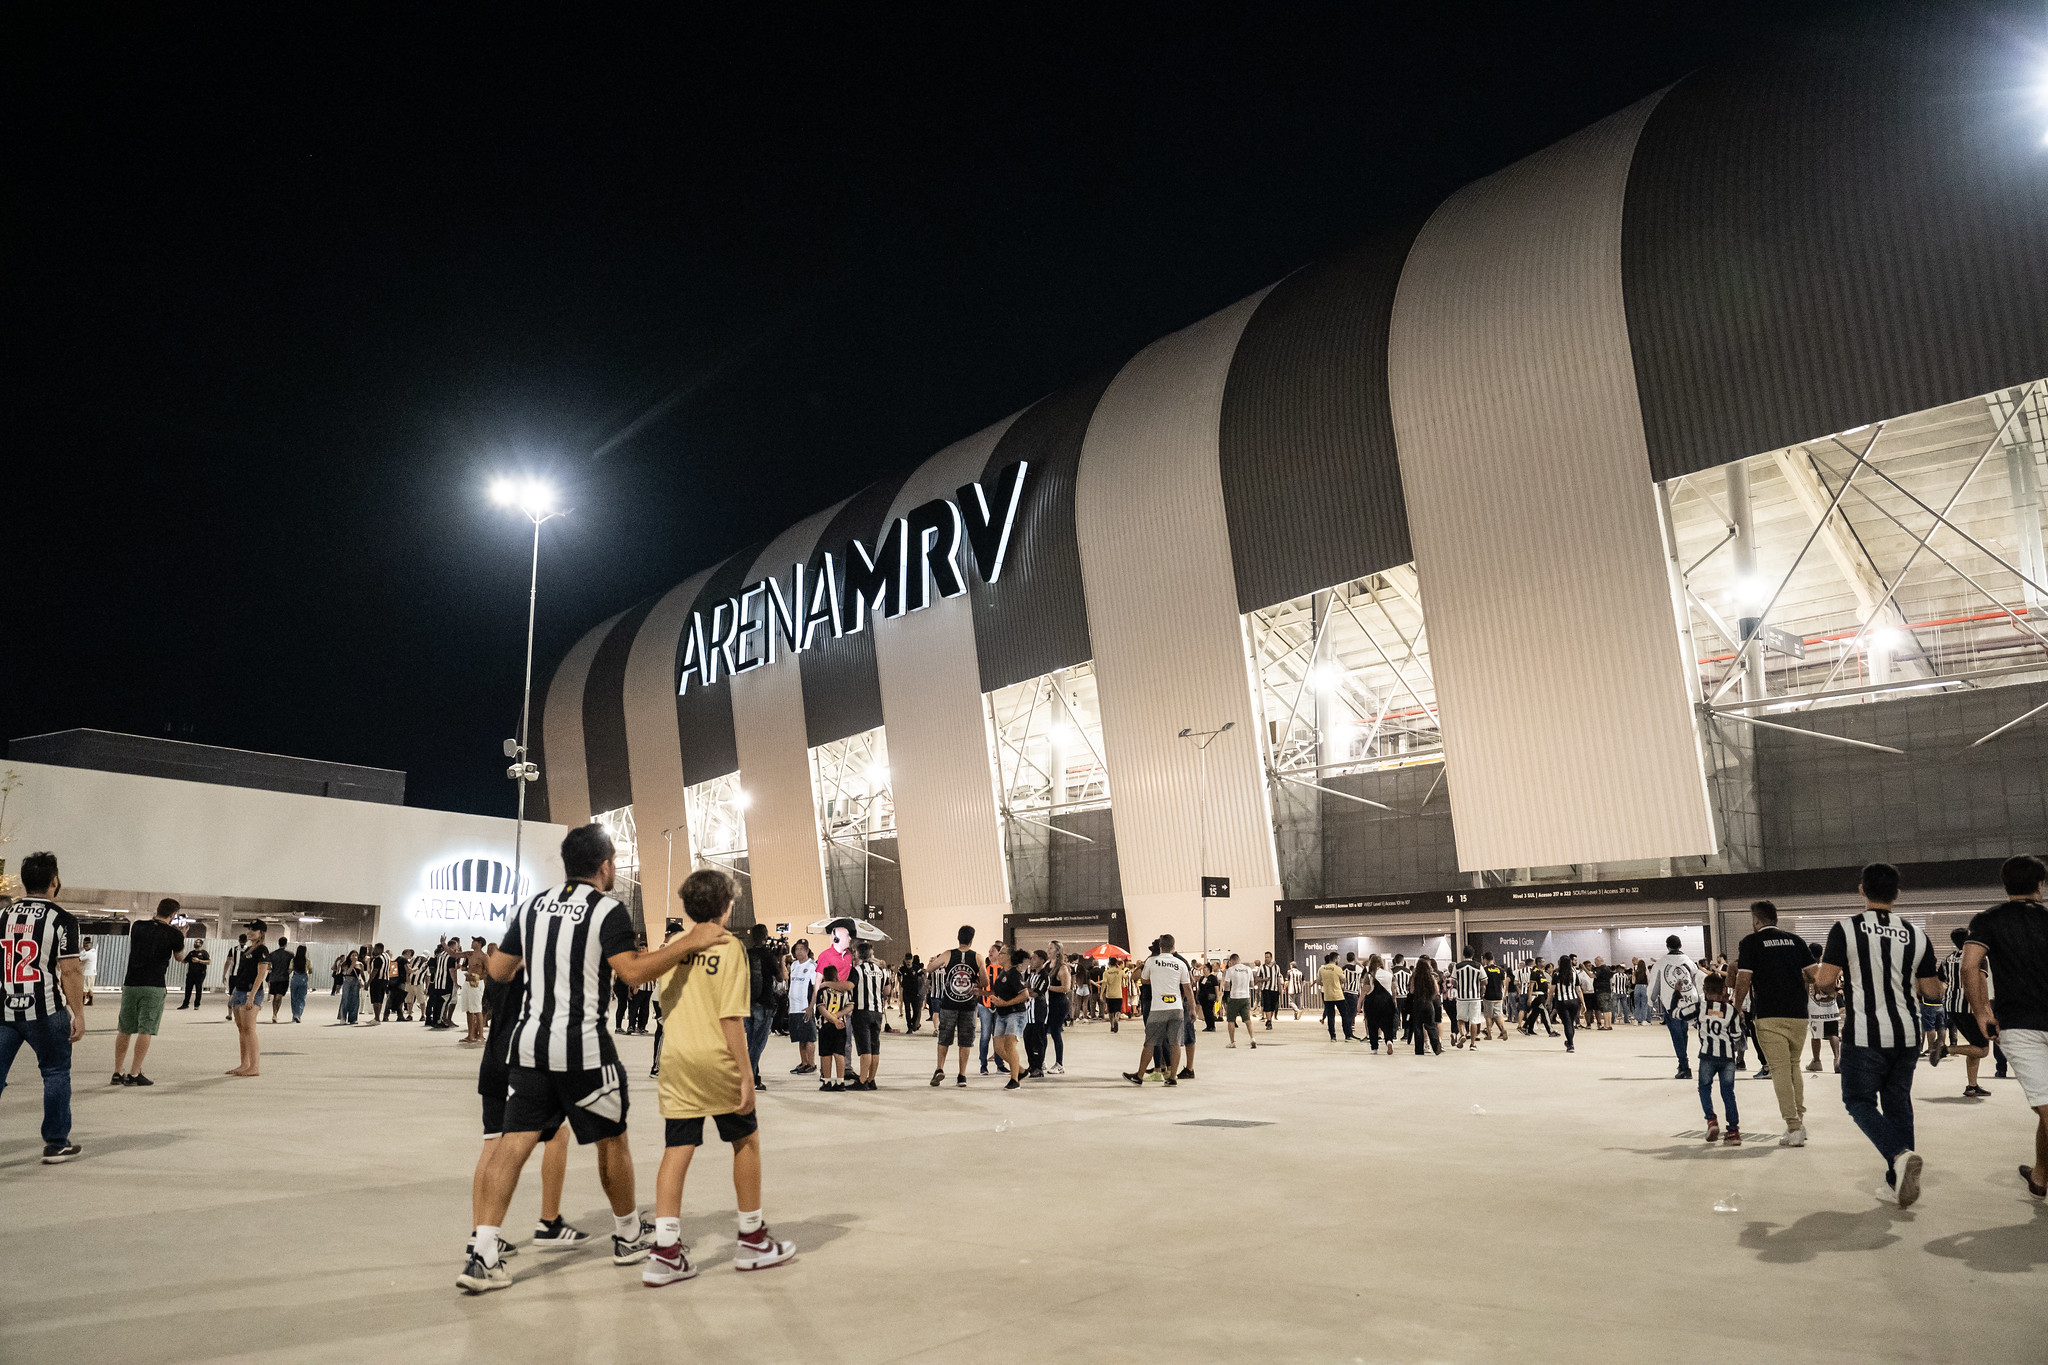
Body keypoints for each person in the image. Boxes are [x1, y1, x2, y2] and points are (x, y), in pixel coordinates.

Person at [459, 823, 730, 1294]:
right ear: (605, 866)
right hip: (583, 1047)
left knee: (514, 1143)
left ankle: (483, 1253)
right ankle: (628, 1235)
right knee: (611, 1139)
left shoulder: (531, 907)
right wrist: (689, 941)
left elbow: (500, 969)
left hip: (529, 1046)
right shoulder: (607, 910)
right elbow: (630, 973)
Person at [642, 868, 797, 1285]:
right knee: (745, 1141)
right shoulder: (730, 948)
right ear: (727, 906)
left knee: (677, 1149)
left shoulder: (674, 945)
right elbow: (731, 1018)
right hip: (717, 1060)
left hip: (676, 1060)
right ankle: (751, 1238)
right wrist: (747, 1074)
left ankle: (666, 1251)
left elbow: (661, 997)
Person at [1814, 862, 1941, 1209]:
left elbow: (1825, 981)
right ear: (1897, 894)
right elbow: (1933, 990)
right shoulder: (1917, 934)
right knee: (1898, 1102)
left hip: (1865, 1034)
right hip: (1908, 1032)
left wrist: (1829, 987)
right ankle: (1895, 1181)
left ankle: (1899, 1156)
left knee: (1858, 1101)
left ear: (1861, 890)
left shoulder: (1846, 929)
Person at [470, 939, 589, 1266]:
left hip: (492, 1060)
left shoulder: (497, 965)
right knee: (557, 1135)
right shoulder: (540, 969)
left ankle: (478, 1234)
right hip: (522, 1064)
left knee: (491, 1144)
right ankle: (549, 1222)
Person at [1959, 854, 2048, 1199]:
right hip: (2030, 1022)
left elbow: (1970, 967)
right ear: (2040, 884)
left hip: (2019, 1025)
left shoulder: (1988, 920)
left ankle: (2042, 1174)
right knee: (2045, 1104)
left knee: (2045, 1104)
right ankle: (2041, 1174)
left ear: (2005, 884)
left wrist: (1981, 1012)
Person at [0, 851, 87, 1162]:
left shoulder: (4, 916)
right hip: (45, 1010)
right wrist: (78, 1013)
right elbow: (71, 970)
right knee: (55, 1073)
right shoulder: (62, 920)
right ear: (54, 881)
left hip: (4, 1010)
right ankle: (55, 1142)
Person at [1731, 900, 1813, 1145]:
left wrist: (1737, 1008)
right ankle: (1799, 1121)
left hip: (1769, 1014)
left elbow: (1744, 979)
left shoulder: (1751, 942)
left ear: (1757, 920)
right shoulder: (1796, 941)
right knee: (1794, 1066)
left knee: (1779, 1070)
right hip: (1798, 1013)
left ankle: (1794, 1126)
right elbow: (1812, 974)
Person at [114, 897, 189, 1086]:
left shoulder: (137, 926)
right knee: (145, 1029)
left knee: (125, 1029)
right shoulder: (174, 934)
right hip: (154, 985)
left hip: (131, 983)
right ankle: (134, 1073)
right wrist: (182, 936)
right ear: (173, 915)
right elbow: (180, 957)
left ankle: (117, 1071)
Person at [1125, 936, 1192, 1086]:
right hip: (1177, 1008)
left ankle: (1139, 1076)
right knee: (1175, 1043)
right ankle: (1172, 1077)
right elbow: (1187, 987)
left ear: (1160, 947)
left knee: (1150, 1042)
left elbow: (1143, 980)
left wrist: (1155, 977)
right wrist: (1192, 1008)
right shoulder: (1180, 963)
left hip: (1158, 1008)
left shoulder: (1151, 961)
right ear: (1173, 946)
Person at [1938, 927, 1992, 1098]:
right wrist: (1986, 1009)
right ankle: (1946, 1050)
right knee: (1983, 1050)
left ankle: (1972, 1086)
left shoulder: (1948, 959)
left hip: (1951, 1006)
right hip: (1970, 1007)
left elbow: (1941, 982)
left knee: (1973, 1046)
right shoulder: (1977, 957)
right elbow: (1981, 983)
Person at [1689, 972, 1742, 1145]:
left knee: (1704, 1088)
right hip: (1727, 1058)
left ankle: (1711, 1120)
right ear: (1723, 990)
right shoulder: (1731, 1011)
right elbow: (1736, 1035)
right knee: (1728, 1093)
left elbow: (1680, 1014)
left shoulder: (1701, 1008)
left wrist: (1676, 994)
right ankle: (1733, 1132)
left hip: (1707, 1056)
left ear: (1704, 989)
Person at [929, 926, 982, 1087]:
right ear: (972, 939)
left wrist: (932, 962)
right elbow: (986, 982)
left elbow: (929, 969)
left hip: (949, 1003)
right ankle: (962, 1075)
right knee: (965, 1040)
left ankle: (939, 1068)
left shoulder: (948, 954)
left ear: (958, 937)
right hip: (967, 1004)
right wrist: (976, 981)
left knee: (944, 1037)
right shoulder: (977, 957)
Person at [1648, 936, 1703, 1078]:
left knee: (1677, 1035)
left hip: (1671, 1003)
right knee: (1683, 1033)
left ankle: (1684, 1066)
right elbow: (1697, 982)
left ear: (1667, 946)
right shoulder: (1690, 962)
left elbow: (1655, 984)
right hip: (1690, 1001)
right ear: (1680, 945)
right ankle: (1682, 1064)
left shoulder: (1660, 963)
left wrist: (1651, 1000)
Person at [986, 949, 1031, 1090]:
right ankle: (1021, 1071)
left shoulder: (1014, 975)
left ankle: (1014, 1079)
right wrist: (981, 993)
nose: (999, 955)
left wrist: (1005, 1003)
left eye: (1002, 953)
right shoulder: (1002, 973)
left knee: (1010, 1045)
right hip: (1002, 1014)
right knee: (998, 1047)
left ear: (1009, 957)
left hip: (1015, 1014)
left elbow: (1025, 995)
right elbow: (997, 992)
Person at [851, 941, 888, 1090]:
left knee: (865, 1048)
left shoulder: (857, 970)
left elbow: (850, 987)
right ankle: (872, 1080)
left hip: (862, 1011)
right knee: (875, 1047)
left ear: (858, 954)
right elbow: (886, 992)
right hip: (877, 1011)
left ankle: (862, 1080)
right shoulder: (882, 971)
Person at [811, 965, 853, 1092]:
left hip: (826, 1025)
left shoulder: (822, 990)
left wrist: (832, 1019)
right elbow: (850, 1006)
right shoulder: (845, 990)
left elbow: (821, 1008)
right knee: (839, 1053)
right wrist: (838, 1017)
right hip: (841, 1024)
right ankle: (840, 1082)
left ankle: (827, 1081)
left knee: (826, 1053)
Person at [746, 925, 778, 1087]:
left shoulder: (746, 954)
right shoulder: (768, 955)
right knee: (758, 1044)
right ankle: (749, 1078)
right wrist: (782, 958)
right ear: (766, 936)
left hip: (747, 1003)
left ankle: (754, 1077)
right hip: (764, 1003)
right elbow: (781, 977)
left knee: (751, 1042)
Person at [1805, 943, 1842, 1074]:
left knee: (1816, 1035)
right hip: (1831, 1007)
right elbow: (1838, 985)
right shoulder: (1830, 968)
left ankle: (1816, 1061)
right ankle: (1837, 1059)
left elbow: (1806, 988)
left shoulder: (1808, 969)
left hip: (1815, 1008)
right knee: (1833, 1033)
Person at [784, 939, 818, 1076]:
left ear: (807, 951)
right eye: (797, 949)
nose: (799, 952)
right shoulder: (793, 965)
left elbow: (815, 989)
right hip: (794, 1008)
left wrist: (811, 1006)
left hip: (805, 1008)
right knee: (800, 1038)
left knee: (809, 1037)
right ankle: (803, 1063)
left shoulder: (812, 966)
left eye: (802, 949)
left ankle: (811, 1063)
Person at [1452, 947, 1485, 1051]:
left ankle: (1462, 1034)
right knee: (1474, 1020)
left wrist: (1460, 987)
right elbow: (1485, 981)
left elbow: (1453, 981)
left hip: (1462, 997)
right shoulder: (1478, 966)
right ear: (1473, 954)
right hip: (1475, 997)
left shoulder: (1457, 966)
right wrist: (1480, 989)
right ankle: (1473, 1044)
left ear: (1463, 954)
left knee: (1460, 1019)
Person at [1222, 953, 1256, 1049]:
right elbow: (1252, 984)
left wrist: (1226, 995)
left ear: (1232, 961)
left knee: (1231, 1020)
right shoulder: (1248, 969)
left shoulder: (1231, 970)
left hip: (1234, 997)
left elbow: (1227, 984)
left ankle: (1232, 1042)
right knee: (1247, 1019)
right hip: (1245, 997)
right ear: (1239, 959)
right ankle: (1252, 1038)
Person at [1410, 956, 1443, 1055]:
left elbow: (1411, 990)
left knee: (1418, 1027)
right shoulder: (1431, 977)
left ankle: (1419, 1050)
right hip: (1428, 1003)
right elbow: (1436, 991)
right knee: (1431, 1026)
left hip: (1417, 1003)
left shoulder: (1414, 977)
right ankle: (1436, 1048)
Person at [1550, 954, 1581, 1053]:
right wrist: (1583, 1003)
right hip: (1574, 1001)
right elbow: (1578, 990)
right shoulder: (1575, 973)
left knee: (1567, 1023)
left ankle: (1571, 1045)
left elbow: (1552, 990)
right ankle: (1569, 1042)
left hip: (1561, 1001)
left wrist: (1548, 1000)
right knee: (1570, 1023)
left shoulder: (1556, 974)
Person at [460, 936, 487, 1044]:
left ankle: (480, 1035)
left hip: (476, 983)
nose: (471, 943)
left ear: (479, 943)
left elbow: (488, 971)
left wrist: (477, 977)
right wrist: (444, 945)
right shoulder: (469, 954)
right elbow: (455, 955)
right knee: (469, 1010)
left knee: (476, 1009)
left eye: (473, 941)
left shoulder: (484, 957)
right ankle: (470, 1035)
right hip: (467, 983)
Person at [266, 935, 293, 1023]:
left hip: (274, 977)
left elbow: (268, 964)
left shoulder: (272, 954)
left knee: (275, 997)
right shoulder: (290, 954)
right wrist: (289, 971)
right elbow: (292, 966)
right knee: (279, 996)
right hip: (284, 978)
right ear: (286, 944)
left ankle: (274, 1014)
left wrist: (270, 969)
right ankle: (275, 1014)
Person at [178, 937, 210, 1009]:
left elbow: (208, 962)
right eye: (195, 942)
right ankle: (185, 1004)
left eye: (197, 942)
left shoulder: (204, 953)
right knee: (188, 989)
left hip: (200, 974)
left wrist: (199, 961)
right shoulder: (191, 953)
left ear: (201, 944)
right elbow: (184, 961)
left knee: (198, 989)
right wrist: (180, 955)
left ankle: (197, 1004)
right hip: (191, 974)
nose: (195, 943)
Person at [1318, 953, 1344, 1040]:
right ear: (1335, 959)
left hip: (1327, 995)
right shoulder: (1338, 969)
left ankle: (1333, 1036)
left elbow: (1318, 981)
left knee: (1330, 1017)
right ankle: (1347, 1035)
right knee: (1344, 1015)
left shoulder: (1322, 969)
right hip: (1338, 995)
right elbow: (1344, 980)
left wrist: (1326, 984)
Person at [898, 953, 924, 1035]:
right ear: (905, 960)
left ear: (912, 960)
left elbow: (922, 975)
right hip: (906, 992)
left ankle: (913, 1022)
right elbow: (898, 974)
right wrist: (900, 982)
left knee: (916, 1010)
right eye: (907, 960)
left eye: (909, 959)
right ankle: (909, 1027)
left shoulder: (916, 968)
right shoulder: (903, 969)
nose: (908, 961)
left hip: (915, 992)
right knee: (907, 1009)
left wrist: (922, 986)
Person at [335, 951, 364, 1025]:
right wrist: (352, 964)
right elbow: (346, 972)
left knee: (355, 1000)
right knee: (345, 999)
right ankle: (343, 1017)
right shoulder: (345, 964)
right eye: (352, 955)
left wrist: (365, 982)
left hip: (356, 983)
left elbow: (362, 974)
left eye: (356, 955)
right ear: (350, 956)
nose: (354, 957)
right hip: (347, 982)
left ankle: (353, 1018)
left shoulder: (360, 964)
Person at [288, 943, 312, 1022]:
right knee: (301, 998)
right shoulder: (307, 961)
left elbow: (290, 970)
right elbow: (310, 971)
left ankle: (294, 1014)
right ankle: (298, 1015)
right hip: (303, 979)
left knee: (294, 997)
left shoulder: (293, 960)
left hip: (295, 978)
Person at [1257, 951, 1281, 1031]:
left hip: (1275, 989)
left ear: (1271, 958)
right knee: (1267, 1005)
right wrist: (1264, 979)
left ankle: (1269, 1019)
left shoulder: (1276, 967)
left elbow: (1278, 978)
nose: (1266, 959)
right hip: (1266, 989)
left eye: (1268, 957)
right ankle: (1269, 1021)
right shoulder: (1262, 967)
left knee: (1273, 1006)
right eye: (1265, 957)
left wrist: (1280, 989)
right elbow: (1257, 978)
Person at [79, 936, 97, 1006]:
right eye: (84, 944)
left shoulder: (89, 954)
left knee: (85, 987)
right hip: (92, 972)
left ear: (91, 944)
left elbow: (79, 959)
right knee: (90, 987)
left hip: (87, 972)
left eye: (87, 944)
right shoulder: (93, 951)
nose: (85, 946)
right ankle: (90, 1000)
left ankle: (83, 1000)